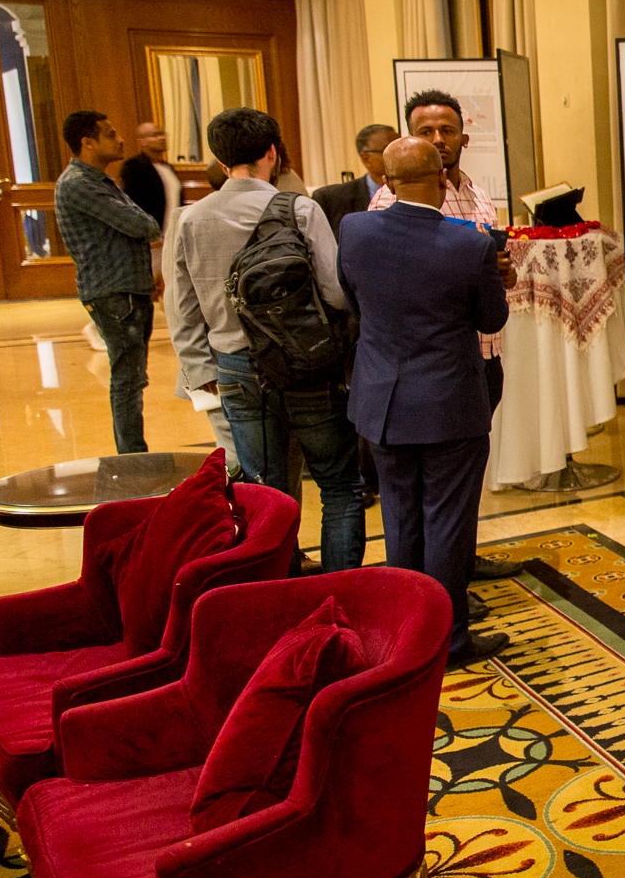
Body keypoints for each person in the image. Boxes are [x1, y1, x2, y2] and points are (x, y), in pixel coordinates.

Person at [168, 107, 366, 572]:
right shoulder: (299, 209)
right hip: (305, 364)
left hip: (235, 367)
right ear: (272, 153)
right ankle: (339, 592)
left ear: (219, 161)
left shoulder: (191, 220)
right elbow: (337, 294)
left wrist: (203, 373)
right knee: (339, 486)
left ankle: (279, 591)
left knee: (264, 492)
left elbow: (181, 309)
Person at [339, 137, 512, 663]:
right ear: (442, 179)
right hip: (447, 404)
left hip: (380, 403)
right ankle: (448, 639)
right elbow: (491, 320)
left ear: (387, 184)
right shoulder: (469, 244)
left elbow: (353, 298)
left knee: (401, 517)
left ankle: (404, 629)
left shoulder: (355, 229)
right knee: (448, 523)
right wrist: (500, 280)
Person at [366, 89, 522, 596]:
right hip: (427, 369)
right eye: (425, 130)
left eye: (446, 130)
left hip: (483, 355)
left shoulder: (478, 194)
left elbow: (492, 278)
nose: (438, 138)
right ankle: (432, 600)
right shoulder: (394, 199)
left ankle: (457, 563)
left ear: (463, 136)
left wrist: (501, 270)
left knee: (457, 485)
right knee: (424, 492)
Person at [54, 111, 161, 454]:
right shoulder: (79, 184)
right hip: (113, 291)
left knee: (132, 377)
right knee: (127, 380)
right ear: (87, 143)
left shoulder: (99, 179)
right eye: (111, 134)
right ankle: (132, 458)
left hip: (126, 288)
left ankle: (133, 455)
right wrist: (145, 226)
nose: (121, 140)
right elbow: (143, 226)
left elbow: (145, 224)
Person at [313, 123, 396, 234]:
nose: (400, 155)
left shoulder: (418, 192)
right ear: (366, 158)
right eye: (390, 151)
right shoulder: (331, 200)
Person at [119, 122, 180, 229]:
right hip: (151, 236)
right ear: (142, 141)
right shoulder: (134, 166)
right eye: (154, 135)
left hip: (173, 233)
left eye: (162, 134)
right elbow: (132, 204)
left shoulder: (168, 168)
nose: (161, 138)